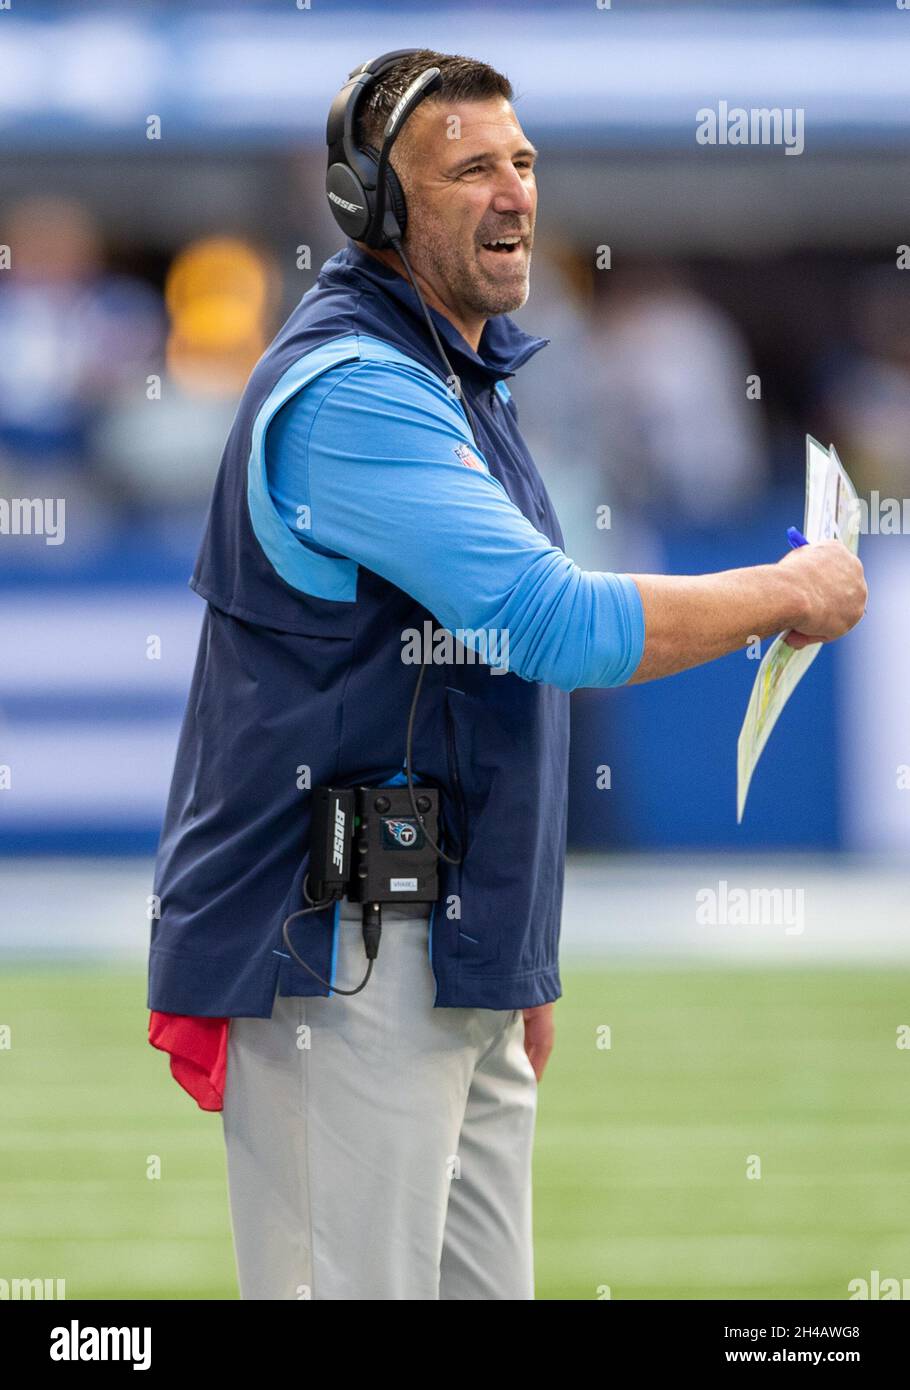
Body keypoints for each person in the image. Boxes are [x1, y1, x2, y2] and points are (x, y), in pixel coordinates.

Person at [147, 49, 866, 1301]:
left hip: (438, 940)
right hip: (343, 944)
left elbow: (482, 696)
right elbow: (549, 627)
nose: (513, 192)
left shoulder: (453, 373)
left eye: (522, 163)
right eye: (468, 168)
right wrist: (788, 593)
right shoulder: (358, 391)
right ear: (373, 207)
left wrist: (509, 948)